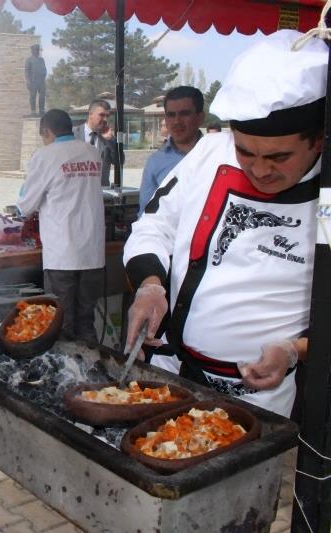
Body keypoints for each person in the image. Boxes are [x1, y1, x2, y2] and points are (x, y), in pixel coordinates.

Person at [123, 30, 325, 417]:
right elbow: (154, 224)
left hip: (257, 399)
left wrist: (294, 349)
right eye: (246, 151)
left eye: (279, 157)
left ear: (318, 140)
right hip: (168, 371)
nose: (260, 170)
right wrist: (151, 285)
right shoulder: (212, 151)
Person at [15, 109, 105, 345]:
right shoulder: (92, 152)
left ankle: (66, 376)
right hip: (93, 254)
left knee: (59, 323)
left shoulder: (44, 156)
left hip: (62, 254)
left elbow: (25, 205)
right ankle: (92, 374)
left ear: (47, 132)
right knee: (86, 321)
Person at [138, 86, 205, 216]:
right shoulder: (155, 162)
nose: (177, 121)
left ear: (200, 117)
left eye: (184, 114)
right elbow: (146, 213)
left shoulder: (217, 156)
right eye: (171, 115)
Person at [73, 100, 121, 186]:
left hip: (101, 192)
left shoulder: (109, 138)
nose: (105, 119)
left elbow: (119, 162)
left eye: (107, 116)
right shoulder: (73, 134)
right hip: (77, 190)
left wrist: (110, 141)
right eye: (101, 115)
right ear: (90, 114)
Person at [25, 44, 47, 116]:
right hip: (33, 80)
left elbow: (44, 68)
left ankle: (41, 110)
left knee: (42, 96)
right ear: (32, 51)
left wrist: (44, 74)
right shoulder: (29, 60)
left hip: (41, 80)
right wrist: (28, 81)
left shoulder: (41, 59)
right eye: (36, 50)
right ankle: (33, 111)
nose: (37, 51)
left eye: (38, 50)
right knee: (33, 96)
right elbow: (27, 71)